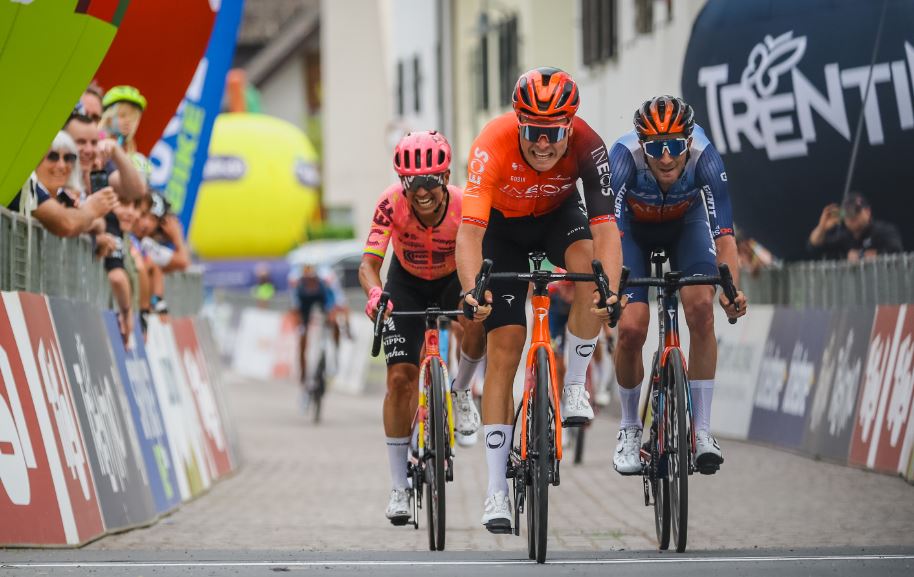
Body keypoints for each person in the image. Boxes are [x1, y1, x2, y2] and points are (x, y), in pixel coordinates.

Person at [456, 67, 623, 533]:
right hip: (501, 232)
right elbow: (470, 232)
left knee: (594, 276)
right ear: (518, 123)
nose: (543, 144)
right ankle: (494, 493)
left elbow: (607, 229)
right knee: (506, 346)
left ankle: (574, 386)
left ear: (569, 127)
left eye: (553, 134)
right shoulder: (492, 142)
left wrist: (609, 292)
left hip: (557, 219)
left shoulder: (590, 146)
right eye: (533, 132)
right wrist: (472, 291)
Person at [608, 95, 747, 477]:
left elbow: (725, 238)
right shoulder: (623, 159)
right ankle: (629, 428)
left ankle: (702, 431)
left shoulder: (706, 158)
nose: (666, 158)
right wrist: (612, 292)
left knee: (701, 309)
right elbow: (608, 232)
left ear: (688, 141)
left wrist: (729, 291)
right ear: (642, 145)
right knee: (632, 327)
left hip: (686, 226)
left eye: (674, 146)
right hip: (633, 233)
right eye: (655, 147)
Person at [360, 130, 486, 526]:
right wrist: (375, 294)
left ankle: (462, 389)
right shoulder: (389, 203)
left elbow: (484, 255)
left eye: (431, 180)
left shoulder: (466, 204)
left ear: (446, 176)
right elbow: (368, 264)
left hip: (453, 278)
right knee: (399, 379)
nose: (422, 191)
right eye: (412, 182)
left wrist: (480, 293)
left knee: (475, 318)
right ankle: (399, 485)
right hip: (407, 282)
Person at [8, 131, 116, 237]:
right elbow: (67, 223)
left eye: (68, 158)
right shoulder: (23, 185)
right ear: (35, 159)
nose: (61, 165)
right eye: (53, 156)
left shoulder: (65, 197)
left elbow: (98, 224)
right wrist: (91, 208)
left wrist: (83, 217)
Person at [807, 193, 903, 261]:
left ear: (868, 212)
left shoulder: (884, 230)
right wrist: (822, 227)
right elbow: (814, 248)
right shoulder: (843, 237)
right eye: (847, 213)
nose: (851, 217)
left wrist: (861, 256)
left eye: (856, 211)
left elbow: (896, 252)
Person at [294, 264, 334, 405]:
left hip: (320, 315)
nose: (310, 281)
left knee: (332, 325)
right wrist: (300, 322)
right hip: (306, 317)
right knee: (302, 342)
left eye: (312, 279)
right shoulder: (300, 287)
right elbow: (296, 306)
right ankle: (304, 374)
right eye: (307, 279)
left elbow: (330, 300)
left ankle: (328, 363)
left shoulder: (321, 285)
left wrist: (330, 313)